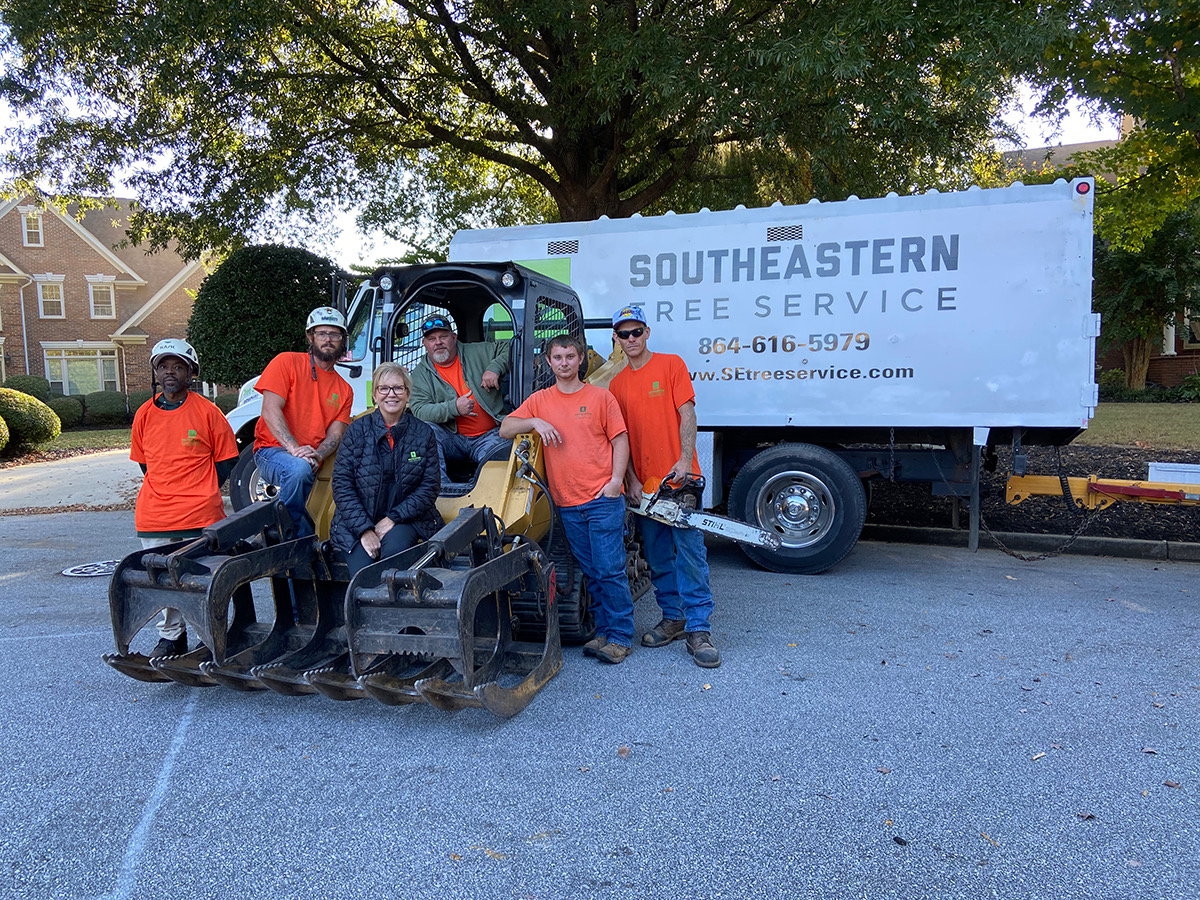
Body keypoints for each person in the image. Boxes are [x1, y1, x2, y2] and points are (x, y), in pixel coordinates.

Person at [499, 334, 635, 664]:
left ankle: (620, 636)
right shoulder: (540, 400)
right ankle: (604, 631)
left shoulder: (601, 397)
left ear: (580, 360)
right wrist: (533, 420)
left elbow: (620, 440)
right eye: (558, 357)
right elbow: (505, 427)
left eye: (570, 357)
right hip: (567, 503)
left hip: (601, 497)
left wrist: (616, 481)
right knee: (591, 569)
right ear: (549, 361)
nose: (564, 363)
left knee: (609, 569)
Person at [608, 305, 720, 668]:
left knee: (689, 553)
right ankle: (674, 617)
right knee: (656, 556)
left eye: (636, 332)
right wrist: (631, 480)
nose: (631, 339)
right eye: (623, 334)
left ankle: (699, 628)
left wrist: (686, 461)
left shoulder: (671, 365)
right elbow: (619, 437)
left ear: (647, 332)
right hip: (645, 488)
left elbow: (688, 413)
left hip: (678, 479)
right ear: (617, 338)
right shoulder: (616, 384)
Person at [130, 339, 239, 657]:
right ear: (155, 372)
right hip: (155, 514)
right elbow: (144, 463)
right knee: (161, 578)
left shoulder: (208, 412)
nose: (170, 372)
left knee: (203, 579)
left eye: (178, 366)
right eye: (163, 366)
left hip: (200, 513)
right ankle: (171, 637)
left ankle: (210, 634)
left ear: (191, 372)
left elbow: (226, 461)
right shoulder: (144, 415)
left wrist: (201, 490)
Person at [330, 362, 443, 577]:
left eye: (398, 388)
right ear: (375, 395)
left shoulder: (423, 433)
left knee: (393, 563)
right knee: (364, 574)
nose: (391, 394)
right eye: (384, 388)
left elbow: (429, 488)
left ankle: (394, 609)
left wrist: (392, 519)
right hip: (357, 521)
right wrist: (364, 530)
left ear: (408, 394)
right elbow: (342, 484)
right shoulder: (356, 431)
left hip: (406, 519)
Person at [252, 307, 354, 537]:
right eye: (321, 333)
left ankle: (310, 537)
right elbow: (270, 410)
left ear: (343, 340)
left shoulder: (344, 389)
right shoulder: (286, 362)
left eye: (335, 334)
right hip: (272, 450)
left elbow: (335, 435)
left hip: (312, 457)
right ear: (310, 337)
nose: (328, 339)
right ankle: (287, 537)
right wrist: (294, 449)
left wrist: (318, 455)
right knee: (298, 469)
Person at [409, 314, 512, 481]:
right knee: (423, 431)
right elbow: (419, 410)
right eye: (432, 339)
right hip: (451, 439)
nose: (438, 342)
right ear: (424, 344)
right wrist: (453, 408)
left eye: (443, 336)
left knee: (502, 462)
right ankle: (440, 491)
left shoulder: (476, 352)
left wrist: (494, 367)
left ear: (454, 337)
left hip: (489, 435)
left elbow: (511, 347)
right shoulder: (420, 374)